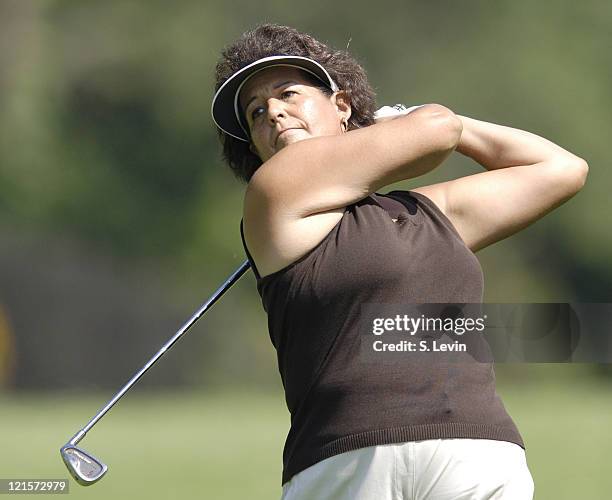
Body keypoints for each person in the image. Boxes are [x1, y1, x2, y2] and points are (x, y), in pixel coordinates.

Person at [211, 24, 588, 500]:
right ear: (255, 146)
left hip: (473, 448)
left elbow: (560, 169)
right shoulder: (273, 191)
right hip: (347, 459)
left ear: (342, 106)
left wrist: (458, 127)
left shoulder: (425, 212)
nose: (274, 113)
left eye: (288, 93)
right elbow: (435, 129)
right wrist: (409, 122)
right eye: (256, 112)